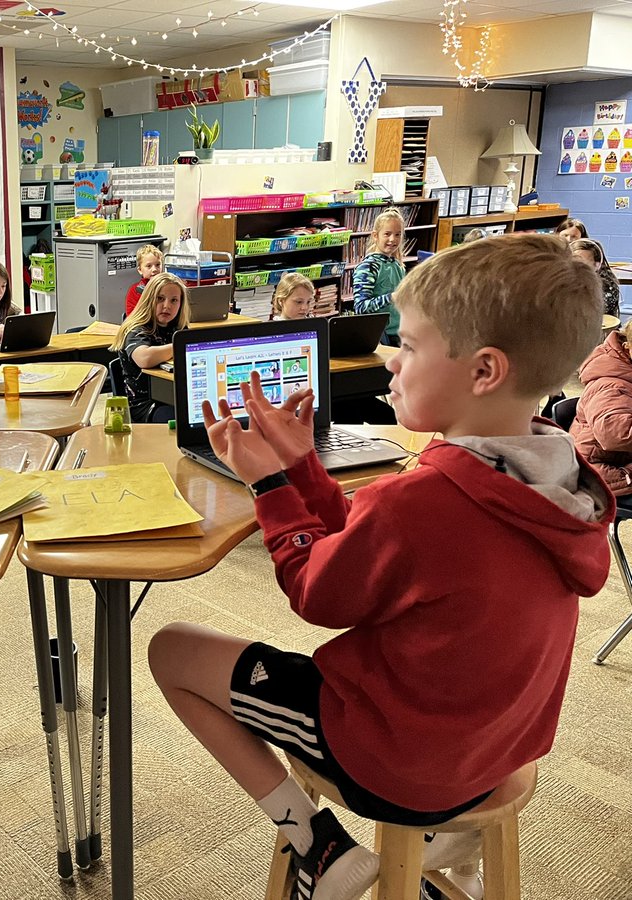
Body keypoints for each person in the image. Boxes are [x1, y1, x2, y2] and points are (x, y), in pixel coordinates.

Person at [148, 233, 613, 900]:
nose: (393, 360)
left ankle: (320, 845)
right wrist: (304, 467)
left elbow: (318, 594)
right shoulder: (558, 478)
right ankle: (450, 849)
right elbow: (380, 554)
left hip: (399, 761)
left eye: (413, 345)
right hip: (497, 748)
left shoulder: (419, 499)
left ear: (484, 371)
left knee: (173, 651)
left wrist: (270, 487)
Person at [109, 272, 189, 423]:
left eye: (174, 300)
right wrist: (180, 345)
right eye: (160, 299)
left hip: (175, 395)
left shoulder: (178, 328)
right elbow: (144, 358)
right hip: (145, 405)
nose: (167, 306)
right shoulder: (135, 329)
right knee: (185, 420)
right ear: (148, 299)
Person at [571, 319, 632, 499]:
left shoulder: (625, 367)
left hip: (618, 457)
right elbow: (615, 434)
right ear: (627, 346)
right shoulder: (609, 385)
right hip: (596, 469)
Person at [351, 207, 407, 346]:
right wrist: (391, 297)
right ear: (375, 235)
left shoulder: (398, 266)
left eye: (398, 234)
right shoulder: (368, 267)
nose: (392, 239)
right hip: (381, 337)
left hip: (399, 333)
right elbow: (360, 307)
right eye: (387, 234)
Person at [570, 237, 621, 317]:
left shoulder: (607, 284)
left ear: (597, 264)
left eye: (586, 261)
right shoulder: (563, 279)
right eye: (576, 259)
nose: (580, 265)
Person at [125, 244, 165, 317]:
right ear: (140, 270)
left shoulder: (167, 287)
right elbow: (132, 317)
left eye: (158, 265)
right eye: (149, 266)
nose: (154, 269)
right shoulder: (135, 291)